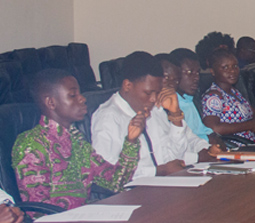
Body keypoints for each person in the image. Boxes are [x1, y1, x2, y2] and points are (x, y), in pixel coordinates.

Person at [13, 69, 144, 210]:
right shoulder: (31, 144)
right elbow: (39, 209)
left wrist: (131, 141)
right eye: (73, 95)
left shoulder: (76, 140)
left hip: (83, 219)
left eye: (79, 94)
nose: (82, 98)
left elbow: (116, 183)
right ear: (51, 102)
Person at [92, 51, 219, 178]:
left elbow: (174, 156)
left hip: (168, 184)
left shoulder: (154, 109)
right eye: (148, 93)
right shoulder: (108, 117)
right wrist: (158, 171)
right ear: (127, 85)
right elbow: (106, 174)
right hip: (134, 191)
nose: (153, 99)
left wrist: (175, 117)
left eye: (157, 92)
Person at [201, 48, 255, 140]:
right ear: (213, 71)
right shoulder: (214, 96)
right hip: (234, 148)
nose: (232, 71)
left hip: (252, 144)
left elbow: (254, 113)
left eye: (235, 66)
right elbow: (212, 128)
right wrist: (250, 125)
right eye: (225, 67)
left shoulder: (234, 92)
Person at [168, 48, 217, 144]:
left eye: (198, 72)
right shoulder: (171, 105)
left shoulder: (189, 100)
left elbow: (204, 131)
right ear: (175, 73)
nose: (196, 78)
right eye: (189, 72)